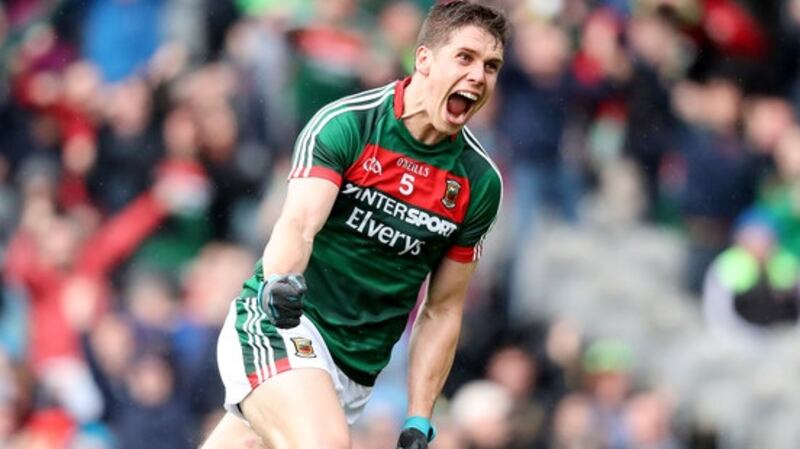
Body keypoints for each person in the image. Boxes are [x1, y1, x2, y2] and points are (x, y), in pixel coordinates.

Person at [200, 2, 510, 449]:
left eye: (491, 66)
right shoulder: (350, 124)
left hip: (354, 371)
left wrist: (419, 418)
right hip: (284, 326)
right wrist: (283, 282)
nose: (479, 76)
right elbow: (299, 225)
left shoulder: (479, 182)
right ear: (423, 59)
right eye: (464, 58)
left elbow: (443, 309)